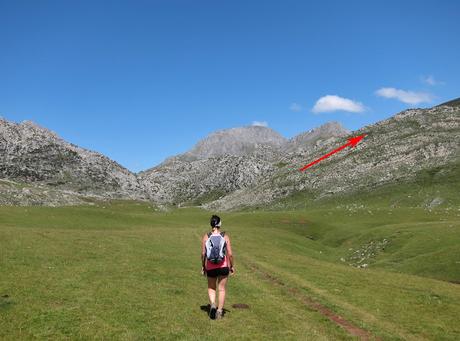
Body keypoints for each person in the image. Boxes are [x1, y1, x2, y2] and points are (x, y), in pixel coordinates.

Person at [201, 215, 234, 320]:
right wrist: (231, 266)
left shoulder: (206, 236)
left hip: (210, 267)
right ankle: (219, 311)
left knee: (211, 287)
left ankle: (213, 305)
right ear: (219, 224)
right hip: (223, 266)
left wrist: (203, 266)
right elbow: (230, 254)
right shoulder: (225, 236)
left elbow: (203, 254)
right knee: (222, 289)